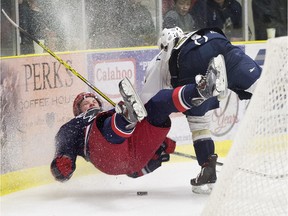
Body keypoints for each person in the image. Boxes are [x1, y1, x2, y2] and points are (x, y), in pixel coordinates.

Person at [140, 27, 262, 194]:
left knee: (198, 121)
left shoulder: (159, 59)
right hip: (220, 43)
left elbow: (147, 103)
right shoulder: (192, 35)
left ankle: (207, 168)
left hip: (190, 61)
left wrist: (146, 133)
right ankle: (212, 82)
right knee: (265, 87)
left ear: (163, 46)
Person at [50, 72, 227, 182]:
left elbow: (133, 174)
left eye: (92, 101)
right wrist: (64, 161)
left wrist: (159, 147)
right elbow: (64, 139)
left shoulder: (109, 111)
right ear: (78, 111)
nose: (89, 104)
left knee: (157, 104)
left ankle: (200, 91)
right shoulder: (78, 123)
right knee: (103, 124)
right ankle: (127, 119)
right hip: (107, 156)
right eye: (84, 104)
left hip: (135, 159)